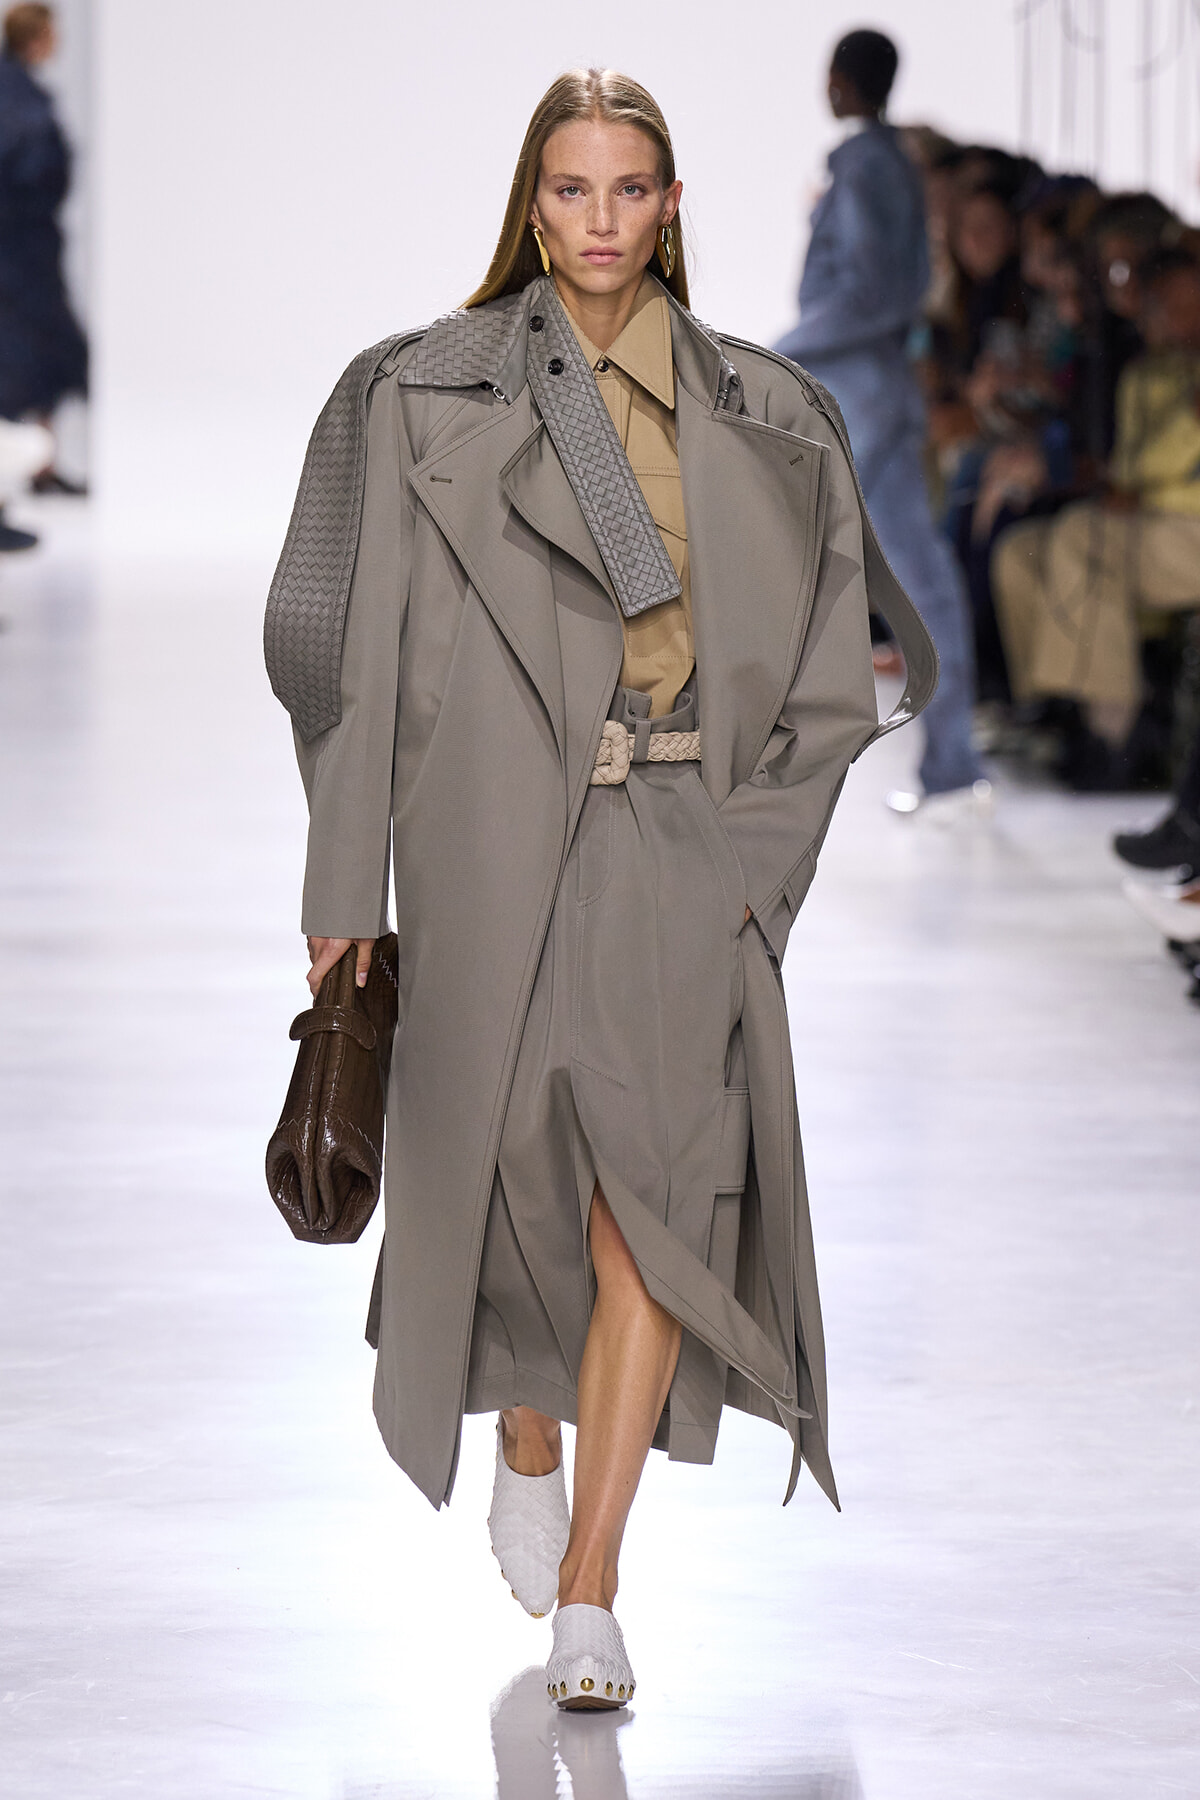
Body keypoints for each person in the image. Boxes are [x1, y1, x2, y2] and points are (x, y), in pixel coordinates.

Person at [265, 68, 935, 1710]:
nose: (601, 221)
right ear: (532, 202)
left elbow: (834, 670)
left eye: (630, 189)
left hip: (682, 843)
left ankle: (594, 1589)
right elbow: (356, 663)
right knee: (513, 1185)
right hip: (491, 838)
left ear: (674, 204)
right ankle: (526, 1430)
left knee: (655, 1206)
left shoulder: (769, 412)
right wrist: (348, 884)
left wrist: (755, 872)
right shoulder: (423, 394)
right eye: (571, 190)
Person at [774, 29, 988, 820]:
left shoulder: (866, 164)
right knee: (920, 574)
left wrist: (784, 348)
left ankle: (763, 756)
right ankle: (952, 764)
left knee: (785, 553)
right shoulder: (893, 162)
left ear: (841, 80)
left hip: (853, 389)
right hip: (882, 383)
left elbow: (867, 290)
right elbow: (903, 285)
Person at [991, 247, 1200, 788]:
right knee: (1020, 550)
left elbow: (1159, 461)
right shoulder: (1147, 373)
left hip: (1187, 529)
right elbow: (1129, 466)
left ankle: (1113, 731)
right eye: (1161, 306)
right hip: (1153, 525)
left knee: (1084, 538)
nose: (1168, 318)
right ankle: (1052, 706)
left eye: (1182, 306)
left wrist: (1134, 481)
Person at [0, 4, 88, 506]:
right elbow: (27, 170)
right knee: (26, 358)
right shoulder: (15, 96)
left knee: (44, 356)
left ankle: (40, 465)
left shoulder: (21, 91)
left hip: (27, 250)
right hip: (18, 254)